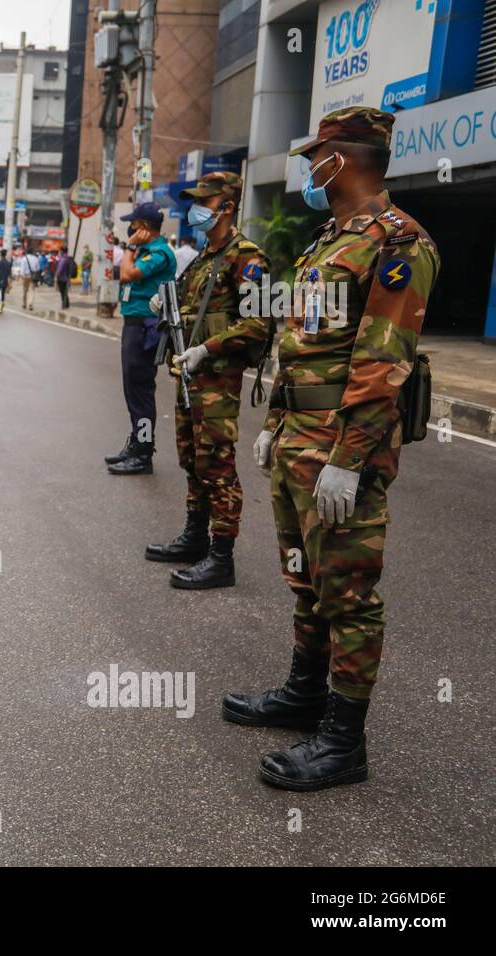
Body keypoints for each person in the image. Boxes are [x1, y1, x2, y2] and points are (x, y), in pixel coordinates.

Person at [224, 106, 439, 792]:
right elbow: (301, 343)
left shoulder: (397, 243)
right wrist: (275, 421)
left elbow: (382, 365)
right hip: (298, 443)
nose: (309, 169)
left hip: (341, 452)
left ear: (340, 160)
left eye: (315, 156)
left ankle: (344, 742)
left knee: (347, 595)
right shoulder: (328, 240)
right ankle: (304, 696)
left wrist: (349, 460)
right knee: (305, 580)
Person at [144, 171, 271, 590]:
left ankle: (221, 557)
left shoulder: (247, 257)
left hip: (217, 380)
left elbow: (258, 324)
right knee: (191, 460)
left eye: (204, 202)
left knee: (217, 464)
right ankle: (195, 537)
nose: (195, 210)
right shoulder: (202, 257)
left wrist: (208, 349)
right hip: (188, 376)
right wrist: (165, 303)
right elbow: (188, 308)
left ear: (227, 207)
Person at [107, 203, 177, 475]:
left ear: (145, 228)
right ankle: (137, 443)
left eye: (134, 225)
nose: (130, 229)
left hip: (145, 328)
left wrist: (127, 249)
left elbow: (127, 274)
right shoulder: (145, 250)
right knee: (133, 391)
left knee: (141, 393)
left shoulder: (159, 253)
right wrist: (132, 249)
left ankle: (144, 452)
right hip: (134, 326)